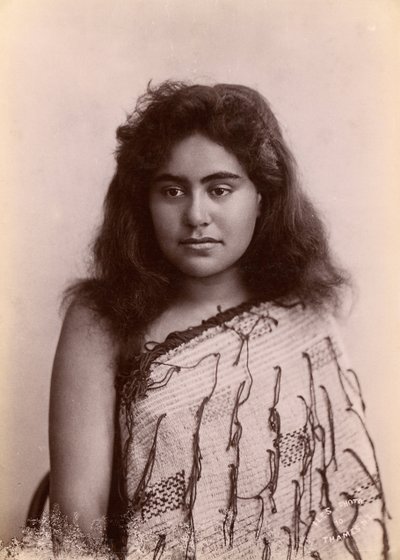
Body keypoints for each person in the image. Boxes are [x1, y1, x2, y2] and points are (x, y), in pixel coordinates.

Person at [48, 81, 391, 559]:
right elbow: (74, 533)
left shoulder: (302, 313)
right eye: (172, 191)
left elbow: (347, 498)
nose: (196, 215)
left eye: (220, 189)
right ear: (143, 203)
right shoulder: (100, 322)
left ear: (262, 197)